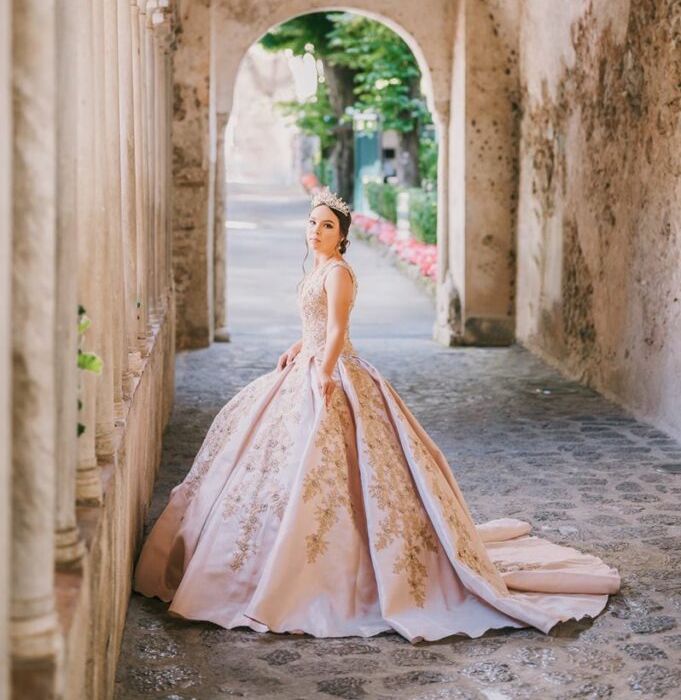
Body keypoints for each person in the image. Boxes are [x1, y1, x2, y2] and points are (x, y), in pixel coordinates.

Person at [133, 187, 621, 643]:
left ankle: (335, 569)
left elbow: (341, 328)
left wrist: (323, 372)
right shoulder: (316, 270)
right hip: (309, 361)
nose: (316, 231)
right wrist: (300, 344)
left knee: (341, 468)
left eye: (326, 226)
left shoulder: (339, 271)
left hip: (334, 371)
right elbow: (319, 323)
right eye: (312, 223)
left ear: (342, 236)